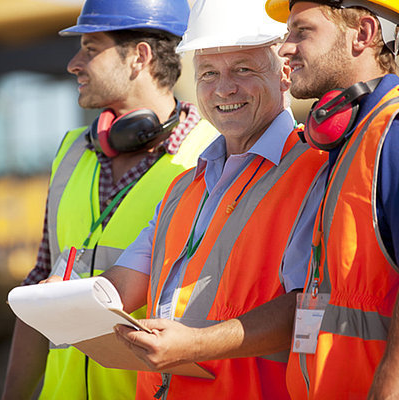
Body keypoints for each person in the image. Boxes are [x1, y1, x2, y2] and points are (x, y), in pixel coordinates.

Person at [107, 0, 329, 398]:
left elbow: (313, 308)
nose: (224, 88)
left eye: (243, 69)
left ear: (284, 71)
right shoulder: (183, 189)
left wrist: (197, 343)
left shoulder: (316, 172)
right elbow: (122, 285)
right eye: (208, 73)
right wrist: (64, 299)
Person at [0, 0, 219, 399]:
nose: (74, 64)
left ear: (140, 57)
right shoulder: (70, 153)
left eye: (90, 48)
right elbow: (39, 287)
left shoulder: (210, 156)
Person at [264, 0, 399, 398]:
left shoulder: (390, 134)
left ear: (364, 34)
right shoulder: (349, 138)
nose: (285, 48)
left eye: (301, 32)